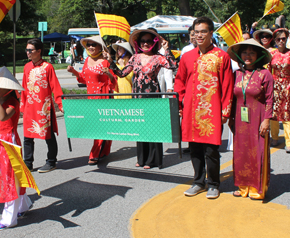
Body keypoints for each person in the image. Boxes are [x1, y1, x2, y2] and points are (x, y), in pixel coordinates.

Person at [174, 17, 234, 199]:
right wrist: (180, 103)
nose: (199, 35)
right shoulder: (186, 57)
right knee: (194, 149)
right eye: (196, 32)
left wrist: (225, 111)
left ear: (211, 33)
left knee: (211, 150)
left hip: (212, 111)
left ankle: (214, 184)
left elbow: (228, 85)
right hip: (191, 111)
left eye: (203, 31)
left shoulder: (221, 57)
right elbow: (180, 82)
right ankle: (198, 181)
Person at [104, 29, 177, 169]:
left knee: (153, 129)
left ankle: (152, 160)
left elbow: (173, 66)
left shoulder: (158, 57)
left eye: (148, 41)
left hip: (152, 98)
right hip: (137, 97)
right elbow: (122, 73)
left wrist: (167, 50)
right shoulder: (135, 58)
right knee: (141, 128)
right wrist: (111, 62)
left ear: (154, 42)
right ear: (138, 43)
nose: (145, 44)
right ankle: (142, 158)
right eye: (142, 41)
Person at [0, 68, 32, 231]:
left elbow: (4, 116)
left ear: (8, 89)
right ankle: (23, 206)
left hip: (9, 143)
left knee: (10, 178)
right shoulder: (1, 100)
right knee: (12, 175)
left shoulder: (12, 102)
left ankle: (9, 219)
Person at [227, 39, 273, 200]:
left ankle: (256, 187)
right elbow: (232, 98)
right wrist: (231, 118)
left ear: (258, 55)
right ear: (239, 55)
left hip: (258, 117)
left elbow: (270, 99)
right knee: (241, 152)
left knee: (257, 151)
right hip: (240, 119)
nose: (248, 56)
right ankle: (242, 185)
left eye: (252, 52)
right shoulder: (237, 74)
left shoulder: (265, 74)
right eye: (245, 52)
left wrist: (266, 120)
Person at [67, 36, 116, 165]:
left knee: (100, 125)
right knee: (96, 125)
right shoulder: (87, 60)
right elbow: (83, 79)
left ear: (100, 47)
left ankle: (94, 153)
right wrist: (74, 72)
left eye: (94, 44)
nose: (90, 47)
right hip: (91, 97)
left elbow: (114, 81)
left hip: (103, 96)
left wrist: (109, 73)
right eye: (88, 45)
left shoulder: (105, 61)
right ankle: (104, 150)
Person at [21, 39, 64, 173]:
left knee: (48, 136)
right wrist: (22, 106)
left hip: (44, 108)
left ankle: (51, 161)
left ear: (39, 51)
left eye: (30, 50)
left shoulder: (47, 67)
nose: (27, 52)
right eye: (27, 50)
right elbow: (24, 87)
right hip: (30, 106)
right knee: (27, 137)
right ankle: (27, 163)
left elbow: (55, 87)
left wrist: (61, 104)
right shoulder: (27, 67)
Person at [268, 28, 290, 154]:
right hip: (275, 86)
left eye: (283, 38)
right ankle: (275, 137)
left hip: (289, 86)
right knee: (273, 113)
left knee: (287, 113)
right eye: (278, 39)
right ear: (275, 40)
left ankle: (289, 142)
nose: (281, 41)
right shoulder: (272, 54)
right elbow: (267, 72)